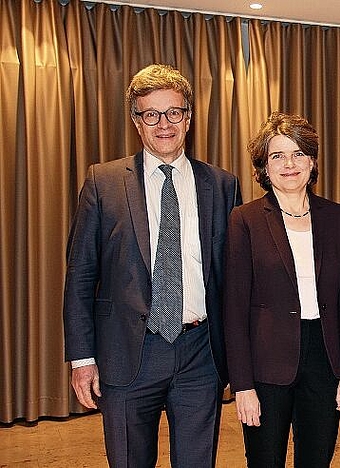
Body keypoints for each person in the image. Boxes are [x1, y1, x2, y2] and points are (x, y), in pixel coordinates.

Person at [63, 64, 242, 467]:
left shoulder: (222, 185)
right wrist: (82, 358)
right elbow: (80, 277)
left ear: (189, 118)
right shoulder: (102, 182)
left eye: (174, 112)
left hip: (201, 354)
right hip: (128, 354)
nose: (164, 124)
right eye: (151, 114)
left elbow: (232, 280)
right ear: (136, 122)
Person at [223, 112, 340, 467]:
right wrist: (242, 385)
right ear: (264, 167)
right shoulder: (246, 219)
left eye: (298, 153)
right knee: (264, 461)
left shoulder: (337, 217)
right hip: (265, 365)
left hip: (324, 360)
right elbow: (234, 310)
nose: (289, 164)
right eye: (277, 156)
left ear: (312, 161)